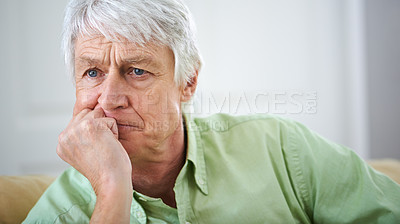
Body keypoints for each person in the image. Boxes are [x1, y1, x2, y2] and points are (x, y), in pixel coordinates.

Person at [24, 0, 400, 223]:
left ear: (187, 83)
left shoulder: (281, 149)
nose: (108, 100)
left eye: (136, 70)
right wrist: (111, 189)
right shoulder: (58, 213)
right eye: (92, 72)